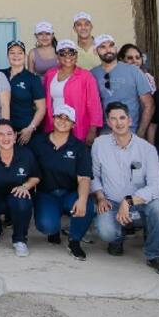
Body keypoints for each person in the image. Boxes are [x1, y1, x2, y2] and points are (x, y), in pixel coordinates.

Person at [91, 103, 159, 276]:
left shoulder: (146, 149)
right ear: (108, 122)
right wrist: (100, 197)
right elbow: (94, 176)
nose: (118, 123)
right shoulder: (100, 144)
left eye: (122, 118)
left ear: (130, 120)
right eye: (113, 119)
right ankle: (117, 238)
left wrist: (129, 202)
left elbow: (157, 186)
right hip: (112, 202)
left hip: (140, 203)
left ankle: (154, 255)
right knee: (106, 230)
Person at [32, 104, 92, 260]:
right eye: (59, 117)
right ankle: (54, 229)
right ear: (53, 118)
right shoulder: (38, 142)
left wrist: (83, 199)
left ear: (74, 124)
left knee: (87, 205)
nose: (62, 121)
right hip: (46, 194)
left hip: (70, 193)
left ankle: (74, 241)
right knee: (47, 226)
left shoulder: (79, 148)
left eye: (68, 119)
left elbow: (84, 177)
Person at [0, 121, 40, 256]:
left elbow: (36, 176)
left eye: (9, 134)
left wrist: (25, 186)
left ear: (15, 136)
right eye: (1, 134)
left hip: (15, 197)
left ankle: (19, 240)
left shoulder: (25, 154)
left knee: (23, 201)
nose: (6, 138)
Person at [90, 35, 154, 136]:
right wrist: (92, 131)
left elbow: (149, 104)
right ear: (95, 51)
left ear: (116, 48)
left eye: (111, 46)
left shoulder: (134, 71)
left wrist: (140, 133)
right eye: (103, 47)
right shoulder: (92, 74)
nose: (108, 50)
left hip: (131, 131)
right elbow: (90, 106)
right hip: (104, 134)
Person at [41, 40, 103, 144]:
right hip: (54, 125)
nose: (67, 57)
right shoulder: (50, 74)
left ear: (76, 55)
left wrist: (93, 130)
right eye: (62, 53)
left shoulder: (86, 76)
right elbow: (46, 101)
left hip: (78, 126)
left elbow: (94, 104)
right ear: (57, 56)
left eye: (71, 53)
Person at [3, 41, 46, 146]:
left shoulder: (32, 79)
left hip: (25, 132)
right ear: (7, 56)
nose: (16, 56)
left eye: (20, 52)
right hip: (4, 131)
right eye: (12, 52)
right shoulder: (0, 74)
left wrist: (30, 128)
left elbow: (41, 108)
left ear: (25, 55)